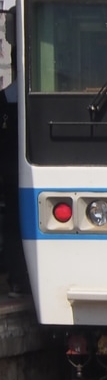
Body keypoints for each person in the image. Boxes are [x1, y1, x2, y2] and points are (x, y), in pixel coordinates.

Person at [1, 81, 27, 296]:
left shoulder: (4, 98)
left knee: (12, 225)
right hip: (19, 173)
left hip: (10, 173)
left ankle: (17, 279)